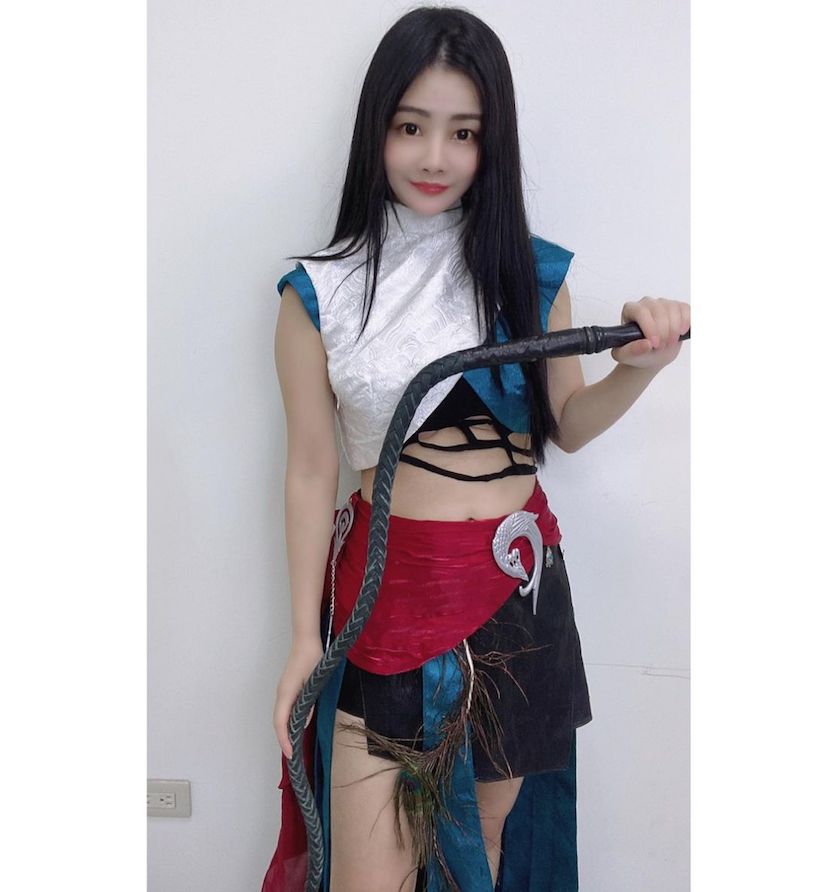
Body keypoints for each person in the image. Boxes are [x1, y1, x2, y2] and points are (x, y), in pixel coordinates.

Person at [261, 7, 689, 891]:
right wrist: (302, 638)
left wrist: (640, 368)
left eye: (463, 133)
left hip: (516, 593)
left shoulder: (530, 273)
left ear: (492, 142)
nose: (434, 157)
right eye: (410, 126)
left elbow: (566, 426)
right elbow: (309, 471)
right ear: (376, 128)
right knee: (371, 872)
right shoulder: (319, 295)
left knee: (477, 860)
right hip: (388, 593)